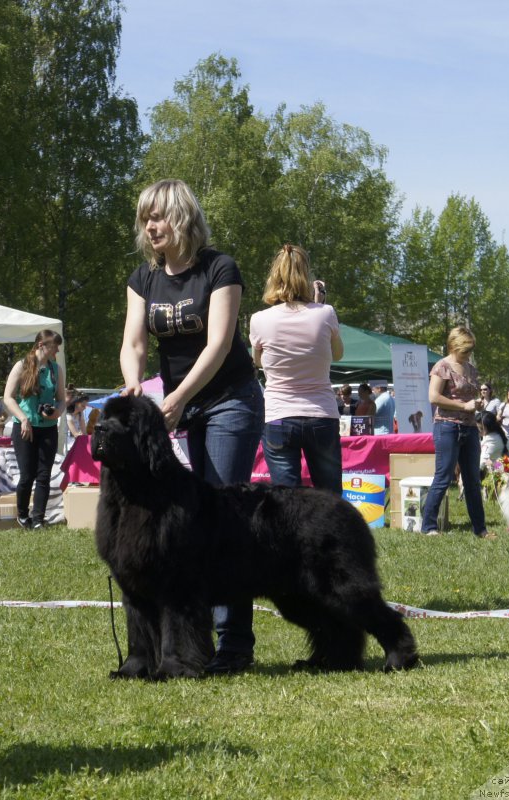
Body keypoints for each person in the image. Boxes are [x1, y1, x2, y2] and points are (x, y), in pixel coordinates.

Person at [120, 178, 264, 675]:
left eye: (157, 216)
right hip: (179, 406)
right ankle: (185, 646)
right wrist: (135, 386)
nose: (150, 227)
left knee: (225, 516)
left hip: (228, 400)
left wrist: (178, 397)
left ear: (180, 216)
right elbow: (134, 343)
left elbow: (220, 344)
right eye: (144, 219)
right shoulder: (144, 278)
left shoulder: (219, 268)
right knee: (185, 523)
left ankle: (235, 645)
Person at [249, 244, 344, 493]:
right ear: (307, 277)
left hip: (278, 415)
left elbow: (259, 362)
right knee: (329, 497)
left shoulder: (259, 319)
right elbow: (338, 354)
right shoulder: (325, 313)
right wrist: (318, 304)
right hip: (321, 414)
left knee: (286, 499)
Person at [421, 326, 494, 539]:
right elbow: (433, 397)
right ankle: (429, 527)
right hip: (447, 426)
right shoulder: (441, 366)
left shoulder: (471, 369)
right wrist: (463, 407)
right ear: (454, 346)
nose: (468, 354)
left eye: (470, 350)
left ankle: (480, 529)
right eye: (465, 350)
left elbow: (470, 398)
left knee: (472, 479)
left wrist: (477, 405)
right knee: (443, 477)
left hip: (470, 428)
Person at [3, 330, 66, 530]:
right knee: (27, 475)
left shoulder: (56, 370)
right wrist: (22, 418)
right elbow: (8, 397)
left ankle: (38, 518)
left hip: (48, 429)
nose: (57, 349)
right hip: (25, 428)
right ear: (41, 345)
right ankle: (22, 514)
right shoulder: (21, 366)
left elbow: (62, 400)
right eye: (54, 345)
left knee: (44, 475)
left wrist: (57, 413)